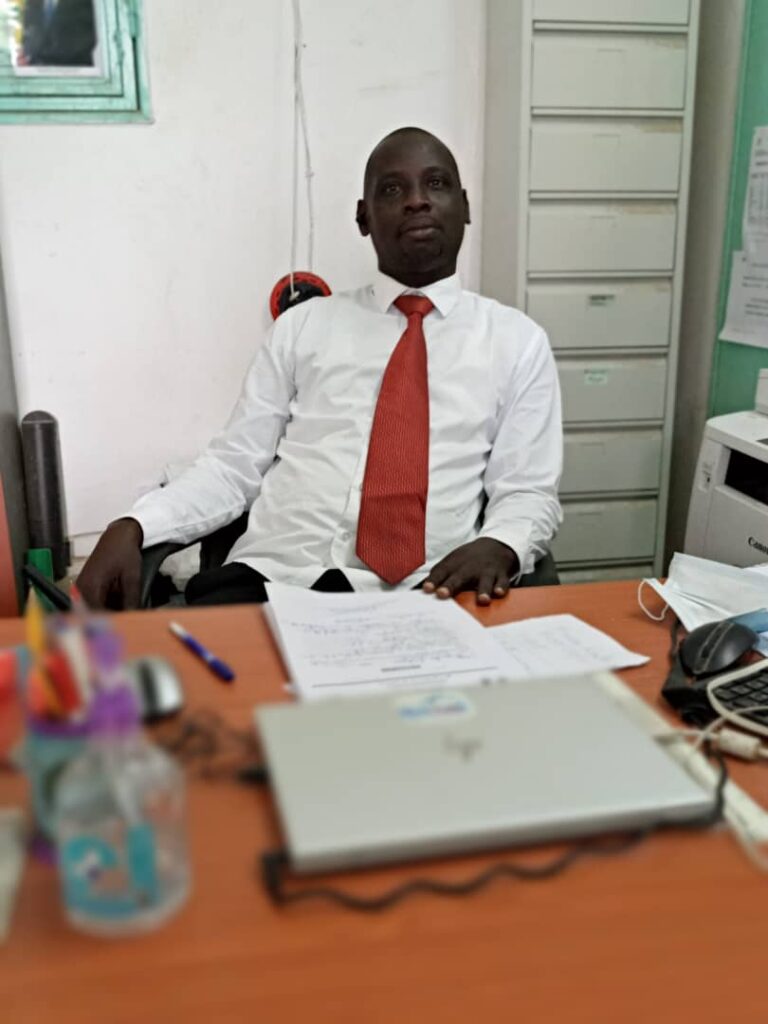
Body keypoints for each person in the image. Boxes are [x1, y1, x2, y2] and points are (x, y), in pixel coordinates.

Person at [78, 127, 562, 610]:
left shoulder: (517, 342)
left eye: (435, 184)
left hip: (428, 591)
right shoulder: (302, 328)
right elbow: (233, 467)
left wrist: (502, 544)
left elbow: (527, 490)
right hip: (271, 581)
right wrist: (137, 525)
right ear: (363, 218)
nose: (417, 201)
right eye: (392, 189)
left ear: (465, 205)